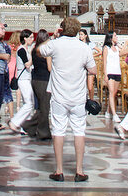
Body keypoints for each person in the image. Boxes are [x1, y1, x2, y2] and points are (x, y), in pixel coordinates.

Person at [38, 16, 97, 182]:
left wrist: (54, 37)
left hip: (59, 97)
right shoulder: (84, 47)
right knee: (79, 132)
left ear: (62, 29)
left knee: (58, 131)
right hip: (78, 97)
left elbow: (39, 50)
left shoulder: (55, 44)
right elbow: (93, 71)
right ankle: (79, 170)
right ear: (78, 30)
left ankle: (59, 170)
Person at [24, 30, 53, 141]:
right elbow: (50, 68)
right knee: (45, 107)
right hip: (44, 80)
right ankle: (43, 132)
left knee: (41, 107)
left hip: (35, 79)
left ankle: (29, 127)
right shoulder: (46, 52)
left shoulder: (34, 49)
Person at [9, 29, 36, 133]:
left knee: (28, 102)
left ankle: (26, 126)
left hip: (27, 78)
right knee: (29, 103)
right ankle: (14, 122)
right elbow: (27, 64)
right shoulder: (21, 50)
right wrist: (33, 54)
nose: (32, 40)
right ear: (25, 38)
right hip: (23, 79)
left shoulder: (24, 49)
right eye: (31, 37)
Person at [102, 32, 126, 125]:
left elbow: (123, 52)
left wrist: (124, 44)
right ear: (111, 37)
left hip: (117, 72)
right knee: (111, 92)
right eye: (115, 36)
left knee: (114, 93)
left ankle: (108, 111)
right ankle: (115, 114)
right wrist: (105, 74)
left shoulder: (116, 48)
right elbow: (104, 62)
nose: (117, 37)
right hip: (110, 72)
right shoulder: (106, 48)